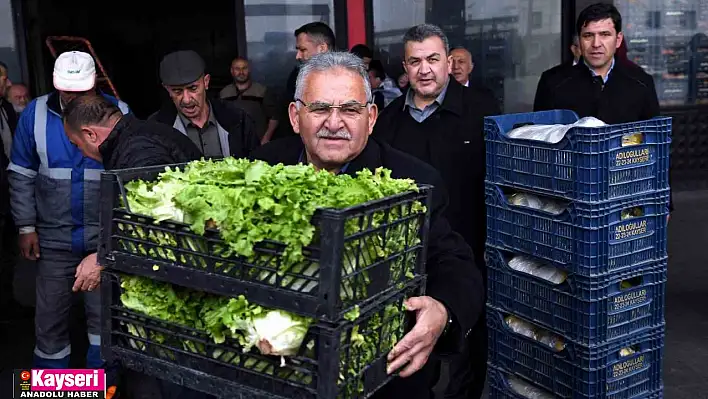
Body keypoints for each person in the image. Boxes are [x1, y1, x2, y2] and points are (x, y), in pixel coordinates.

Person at [251, 50, 484, 399]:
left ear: (371, 117)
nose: (334, 122)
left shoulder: (413, 181)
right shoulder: (261, 169)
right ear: (295, 116)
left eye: (349, 109)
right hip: (282, 372)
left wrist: (443, 310)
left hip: (382, 379)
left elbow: (455, 264)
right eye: (319, 109)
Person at [372, 24, 501, 399]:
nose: (424, 69)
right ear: (405, 67)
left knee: (469, 348)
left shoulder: (481, 109)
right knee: (414, 353)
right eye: (415, 61)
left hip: (472, 249)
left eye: (432, 59)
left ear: (448, 61)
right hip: (411, 258)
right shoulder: (388, 121)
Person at [62, 94, 204, 399]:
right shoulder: (141, 136)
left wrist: (102, 258)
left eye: (77, 145)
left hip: (181, 296)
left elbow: (151, 223)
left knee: (172, 380)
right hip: (176, 286)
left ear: (91, 134)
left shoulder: (139, 151)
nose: (82, 154)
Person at [7, 51, 130, 372]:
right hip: (53, 240)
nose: (73, 98)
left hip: (104, 242)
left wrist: (116, 240)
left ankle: (102, 386)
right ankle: (51, 384)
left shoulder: (120, 113)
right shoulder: (34, 114)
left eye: (81, 91)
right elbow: (21, 174)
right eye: (67, 90)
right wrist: (25, 228)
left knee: (104, 321)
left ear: (94, 86)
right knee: (49, 322)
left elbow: (131, 184)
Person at [533, 3, 673, 212]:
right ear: (579, 41)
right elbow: (538, 143)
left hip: (626, 194)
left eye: (604, 34)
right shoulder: (553, 82)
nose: (596, 43)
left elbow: (657, 147)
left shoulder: (641, 83)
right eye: (588, 35)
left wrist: (665, 201)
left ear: (618, 40)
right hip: (568, 198)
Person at [149, 50, 259, 158]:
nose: (186, 99)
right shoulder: (155, 129)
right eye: (177, 91)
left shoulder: (238, 119)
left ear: (206, 82)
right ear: (167, 89)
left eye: (193, 88)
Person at [273, 22, 336, 141]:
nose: (297, 56)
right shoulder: (296, 76)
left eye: (303, 50)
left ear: (322, 48)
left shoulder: (350, 78)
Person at [219, 57, 280, 144]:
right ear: (232, 71)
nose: (241, 72)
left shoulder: (262, 91)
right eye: (237, 69)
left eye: (244, 68)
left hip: (258, 143)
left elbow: (274, 118)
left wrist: (266, 138)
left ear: (250, 70)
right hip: (233, 143)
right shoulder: (224, 94)